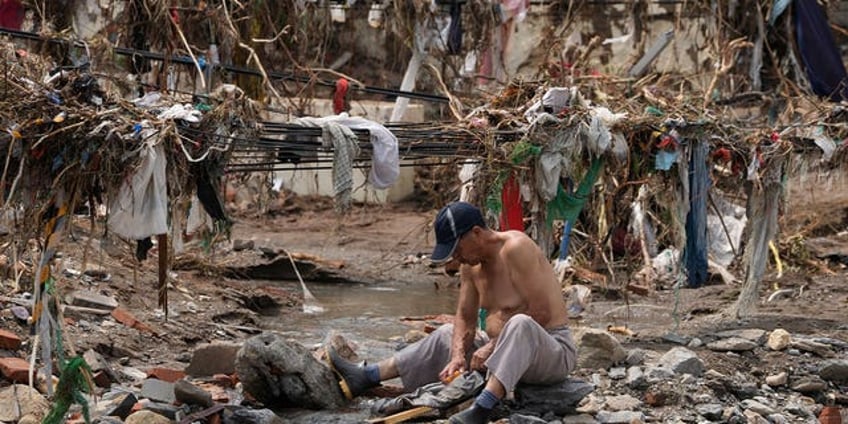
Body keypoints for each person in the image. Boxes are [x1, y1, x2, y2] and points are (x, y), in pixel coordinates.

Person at [328, 201, 577, 424]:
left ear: (477, 233)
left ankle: (483, 407)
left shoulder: (516, 247)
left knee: (520, 323)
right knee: (447, 332)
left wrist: (491, 348)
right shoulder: (471, 267)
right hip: (503, 351)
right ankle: (367, 376)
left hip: (551, 350)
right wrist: (458, 355)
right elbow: (465, 317)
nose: (456, 258)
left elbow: (541, 314)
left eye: (457, 250)